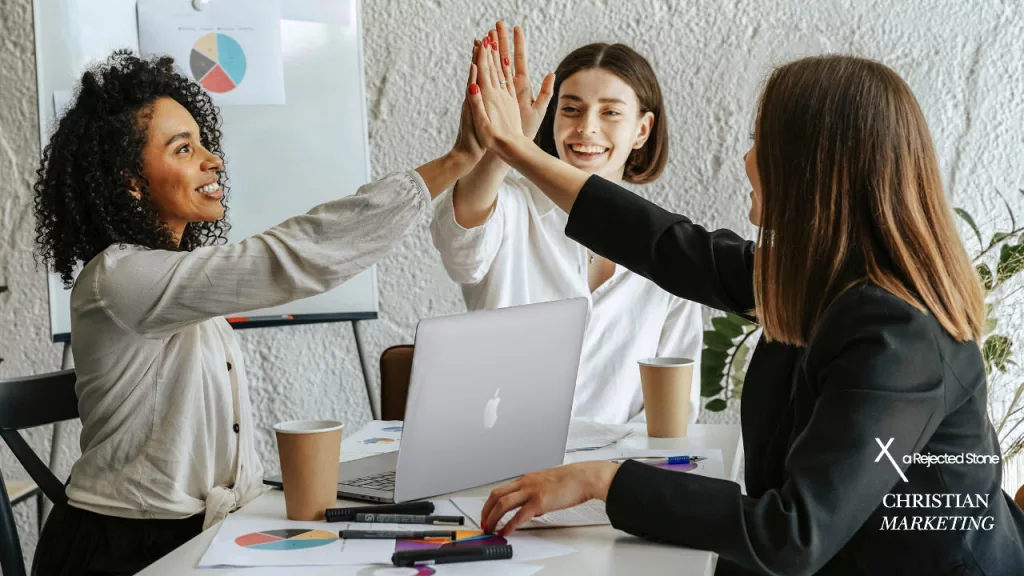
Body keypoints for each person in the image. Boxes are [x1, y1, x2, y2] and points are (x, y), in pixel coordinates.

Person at [465, 33, 1024, 575]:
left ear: (811, 169)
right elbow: (667, 245)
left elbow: (792, 535)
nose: (747, 159)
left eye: (762, 142)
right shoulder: (821, 276)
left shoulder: (899, 334)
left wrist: (602, 480)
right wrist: (515, 149)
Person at [30, 50, 484, 575]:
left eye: (203, 142)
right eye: (184, 149)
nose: (213, 159)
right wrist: (455, 161)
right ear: (130, 181)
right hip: (121, 550)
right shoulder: (120, 278)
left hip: (197, 534)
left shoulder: (176, 280)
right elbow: (287, 258)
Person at [430, 22, 703, 425]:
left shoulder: (669, 247)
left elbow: (675, 410)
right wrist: (506, 144)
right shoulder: (509, 206)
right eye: (571, 109)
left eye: (610, 112)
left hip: (613, 477)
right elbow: (459, 243)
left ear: (642, 130)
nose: (586, 127)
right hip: (500, 464)